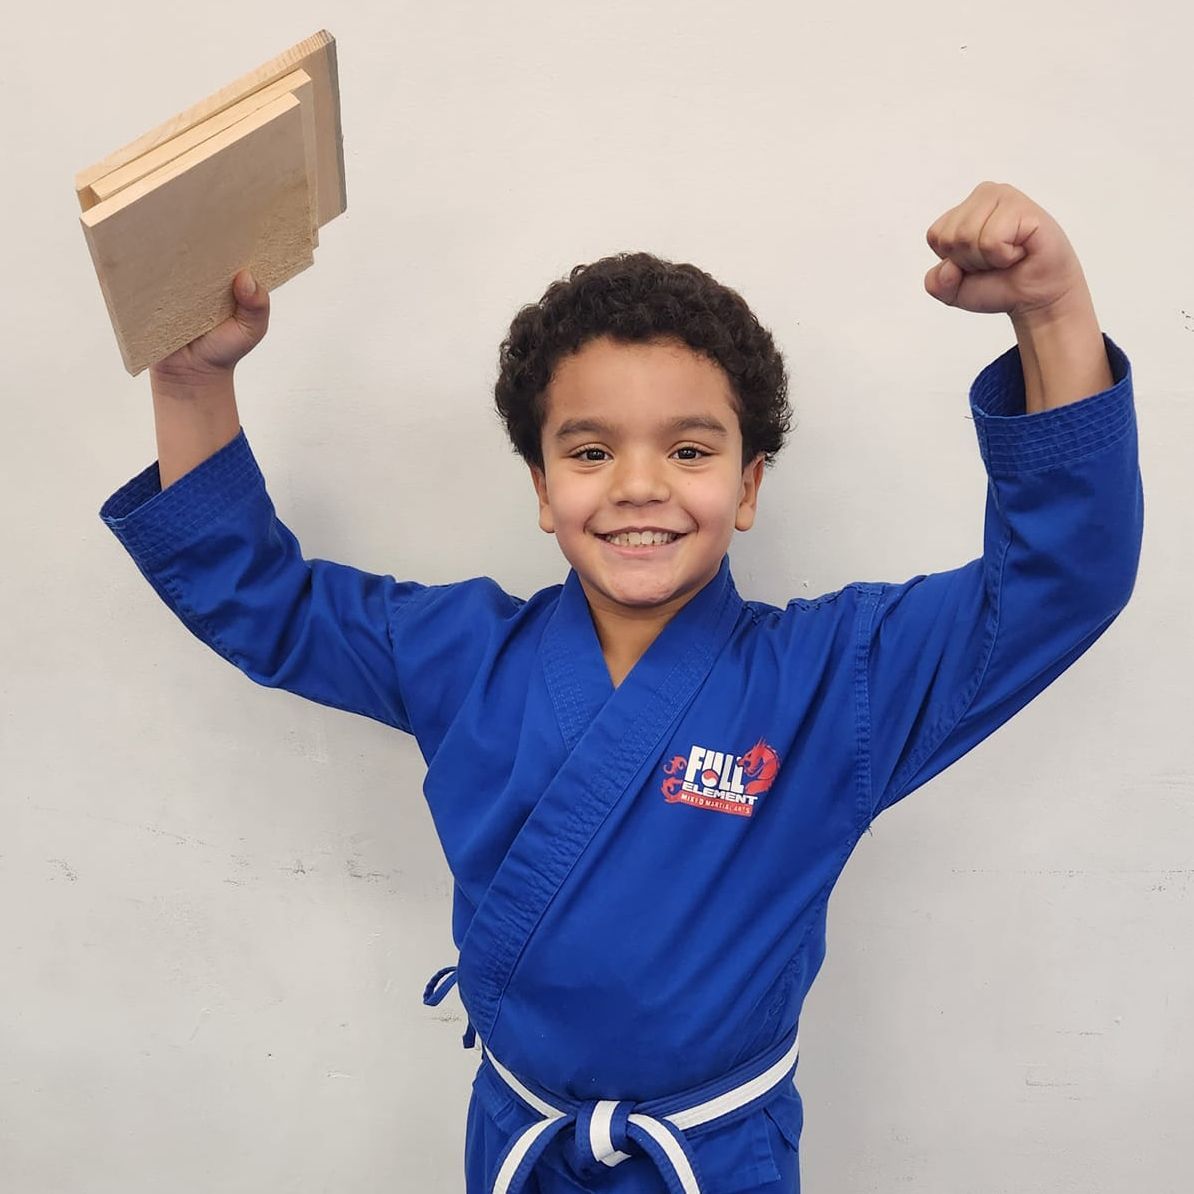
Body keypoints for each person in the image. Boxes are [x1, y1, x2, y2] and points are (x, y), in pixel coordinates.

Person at [99, 181, 1143, 1193]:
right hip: (523, 1143)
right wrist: (192, 382)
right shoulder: (458, 655)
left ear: (747, 486)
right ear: (543, 490)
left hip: (713, 1156)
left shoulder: (838, 680)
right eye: (591, 450)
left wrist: (1051, 314)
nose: (640, 485)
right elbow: (263, 604)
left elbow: (1060, 584)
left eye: (689, 449)